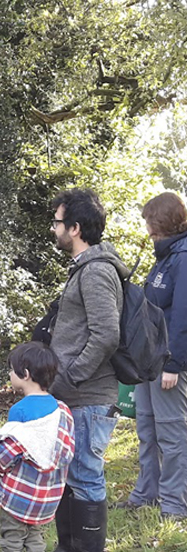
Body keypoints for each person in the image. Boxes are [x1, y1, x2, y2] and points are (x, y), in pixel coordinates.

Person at [45, 188, 128, 552]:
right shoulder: (84, 267)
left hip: (90, 396)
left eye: (59, 222)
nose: (54, 228)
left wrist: (72, 375)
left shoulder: (96, 271)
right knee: (68, 471)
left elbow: (106, 334)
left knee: (85, 473)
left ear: (75, 228)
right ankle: (68, 549)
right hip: (72, 395)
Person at [116, 192, 187, 520]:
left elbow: (183, 315)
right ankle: (147, 493)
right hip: (148, 360)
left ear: (162, 220)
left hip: (168, 362)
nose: (145, 228)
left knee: (171, 434)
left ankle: (174, 505)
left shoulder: (183, 256)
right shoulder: (164, 255)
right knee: (146, 428)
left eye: (149, 221)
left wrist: (174, 362)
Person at [0, 342, 75, 552]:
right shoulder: (63, 410)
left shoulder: (20, 411)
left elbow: (10, 451)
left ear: (25, 374)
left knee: (12, 538)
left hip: (20, 494)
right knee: (36, 537)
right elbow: (67, 449)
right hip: (48, 496)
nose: (10, 375)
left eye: (12, 370)